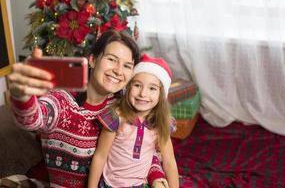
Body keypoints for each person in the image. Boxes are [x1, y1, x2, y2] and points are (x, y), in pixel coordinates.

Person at [7, 30, 168, 187]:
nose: (119, 71)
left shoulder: (123, 106)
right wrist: (22, 96)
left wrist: (157, 178)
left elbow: (142, 150)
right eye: (112, 59)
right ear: (92, 60)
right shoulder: (62, 101)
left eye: (127, 65)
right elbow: (33, 119)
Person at [88, 54, 179, 188]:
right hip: (111, 185)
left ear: (161, 95)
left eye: (152, 88)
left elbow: (169, 161)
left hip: (140, 185)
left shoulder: (160, 122)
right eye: (137, 85)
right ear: (128, 87)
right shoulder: (116, 117)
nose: (143, 94)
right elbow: (100, 156)